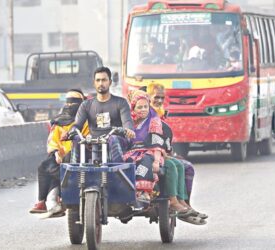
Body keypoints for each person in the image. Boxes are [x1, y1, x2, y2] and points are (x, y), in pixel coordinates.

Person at [124, 90, 206, 225]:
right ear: (133, 106)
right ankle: (173, 201)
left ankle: (182, 202)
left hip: (155, 153)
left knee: (180, 165)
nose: (143, 109)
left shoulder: (153, 118)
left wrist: (158, 158)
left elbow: (158, 141)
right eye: (140, 106)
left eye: (146, 106)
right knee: (172, 166)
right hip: (134, 155)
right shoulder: (127, 121)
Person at [145, 83, 208, 222]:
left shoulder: (160, 112)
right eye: (156, 97)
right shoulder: (148, 113)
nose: (160, 101)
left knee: (184, 166)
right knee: (176, 166)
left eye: (162, 98)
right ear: (148, 98)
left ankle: (183, 202)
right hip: (151, 153)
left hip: (162, 152)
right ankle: (175, 202)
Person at [29, 89, 89, 215]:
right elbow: (52, 141)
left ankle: (60, 198)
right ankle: (42, 201)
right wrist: (56, 152)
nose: (70, 105)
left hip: (79, 154)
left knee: (63, 168)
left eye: (74, 102)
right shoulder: (58, 122)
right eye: (68, 102)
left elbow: (87, 138)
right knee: (44, 167)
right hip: (59, 155)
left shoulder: (86, 121)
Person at [66, 66, 136, 163]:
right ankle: (75, 176)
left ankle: (118, 174)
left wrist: (129, 130)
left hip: (116, 143)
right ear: (94, 83)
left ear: (110, 82)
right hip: (93, 144)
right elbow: (77, 124)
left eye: (104, 80)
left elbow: (127, 122)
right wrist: (73, 130)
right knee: (77, 139)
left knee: (113, 139)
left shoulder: (121, 102)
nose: (101, 83)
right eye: (98, 80)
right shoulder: (86, 105)